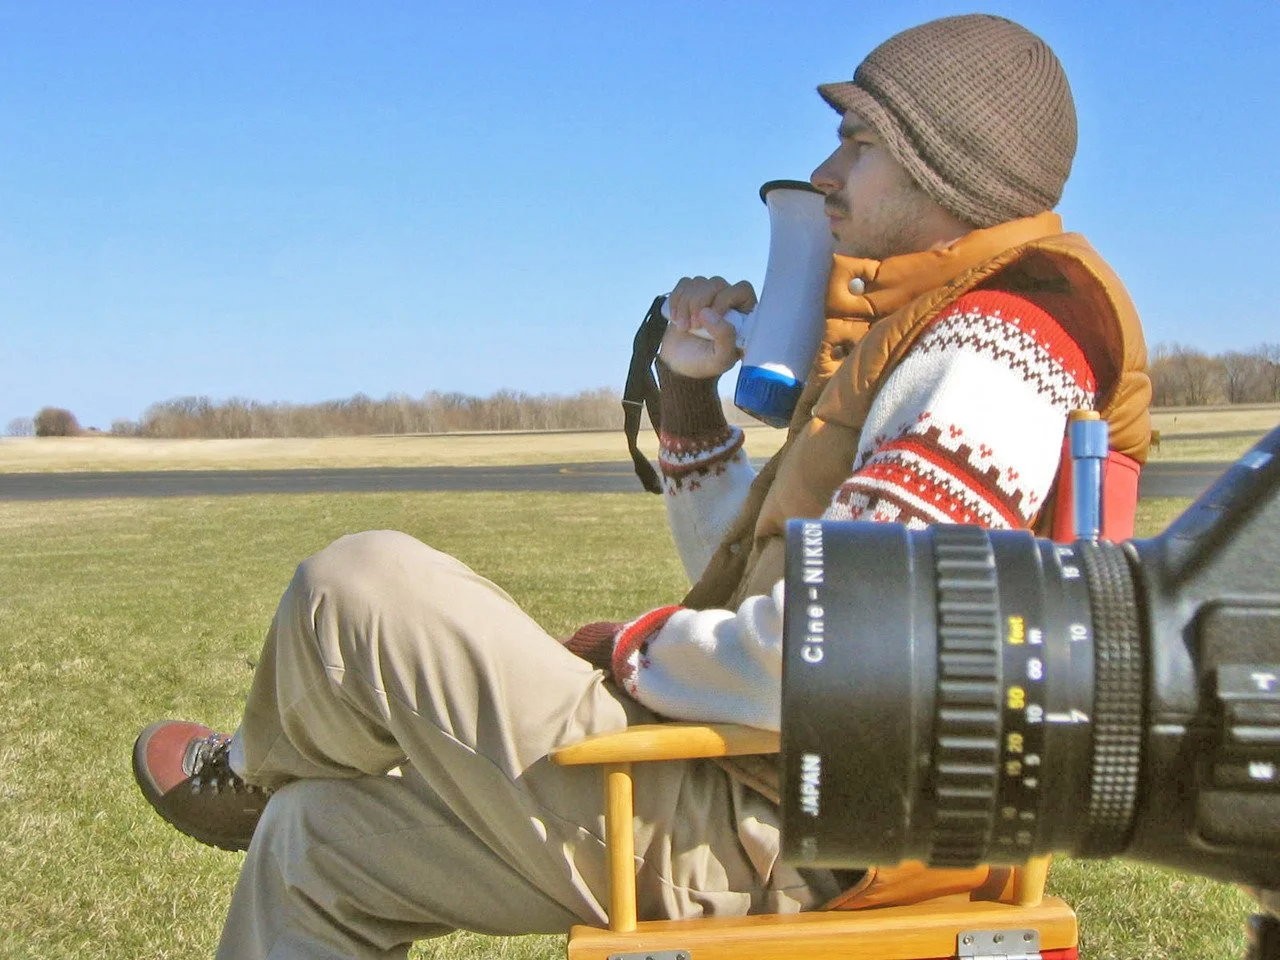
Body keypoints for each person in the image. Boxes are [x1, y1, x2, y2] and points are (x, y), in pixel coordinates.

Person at [132, 13, 1152, 958]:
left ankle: (254, 777)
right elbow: (768, 609)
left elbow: (836, 660)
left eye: (857, 142)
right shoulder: (945, 330)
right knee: (317, 845)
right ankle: (280, 799)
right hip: (770, 804)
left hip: (793, 844)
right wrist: (691, 396)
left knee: (356, 589)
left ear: (945, 164)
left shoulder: (994, 350)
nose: (823, 170)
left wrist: (627, 655)